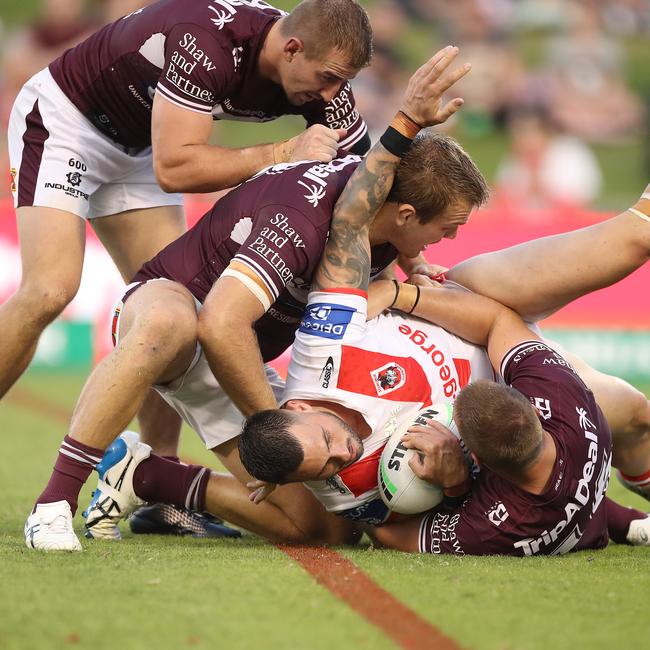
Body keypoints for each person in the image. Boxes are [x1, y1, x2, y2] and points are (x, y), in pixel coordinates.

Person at [24, 46, 478, 551]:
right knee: (170, 323)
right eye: (447, 229)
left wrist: (410, 263)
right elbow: (219, 323)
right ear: (407, 213)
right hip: (182, 311)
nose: (451, 240)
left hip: (236, 353)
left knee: (328, 532)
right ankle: (54, 504)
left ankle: (146, 476)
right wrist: (276, 427)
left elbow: (373, 191)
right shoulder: (302, 218)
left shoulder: (381, 223)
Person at [5, 0, 373, 537]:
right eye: (326, 79)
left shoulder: (317, 68)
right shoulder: (210, 43)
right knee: (49, 289)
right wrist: (285, 151)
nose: (330, 95)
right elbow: (175, 166)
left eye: (341, 82)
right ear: (291, 48)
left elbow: (367, 171)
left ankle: (154, 478)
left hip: (141, 145)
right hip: (71, 124)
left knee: (174, 305)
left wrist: (413, 250)